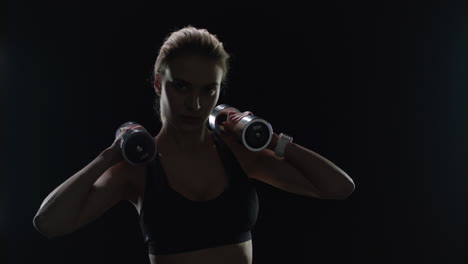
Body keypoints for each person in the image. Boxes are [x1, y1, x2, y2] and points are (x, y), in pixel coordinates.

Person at [33, 26, 355, 264]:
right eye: (182, 87)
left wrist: (270, 139)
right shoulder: (137, 168)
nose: (195, 104)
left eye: (208, 90)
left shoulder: (239, 155)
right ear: (159, 83)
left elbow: (339, 187)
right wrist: (110, 154)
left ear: (219, 92)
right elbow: (49, 224)